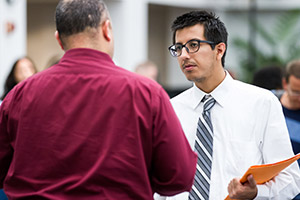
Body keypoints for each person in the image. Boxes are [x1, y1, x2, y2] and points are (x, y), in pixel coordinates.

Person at [0, 0, 197, 199]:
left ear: (59, 40)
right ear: (107, 29)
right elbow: (179, 177)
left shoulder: (19, 95)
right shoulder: (146, 93)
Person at [162, 10, 300, 199]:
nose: (184, 55)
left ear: (219, 50)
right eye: (178, 48)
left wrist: (256, 192)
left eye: (193, 45)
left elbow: (290, 179)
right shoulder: (170, 109)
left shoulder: (261, 103)